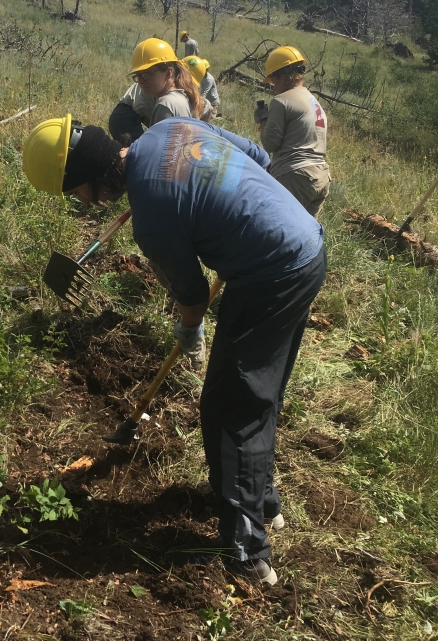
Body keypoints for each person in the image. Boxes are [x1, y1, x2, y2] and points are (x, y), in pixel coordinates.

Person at [22, 114, 326, 586]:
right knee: (258, 394)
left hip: (272, 273)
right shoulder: (169, 128)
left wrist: (190, 332)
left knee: (230, 407)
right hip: (304, 244)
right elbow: (260, 158)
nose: (84, 203)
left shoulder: (152, 217)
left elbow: (193, 297)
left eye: (76, 192)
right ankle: (262, 500)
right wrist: (238, 212)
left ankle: (247, 552)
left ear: (87, 175)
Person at [255, 45, 330, 218]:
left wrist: (263, 120)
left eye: (273, 81)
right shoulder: (313, 100)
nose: (273, 86)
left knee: (276, 228)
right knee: (304, 238)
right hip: (320, 175)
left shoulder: (281, 101)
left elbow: (270, 143)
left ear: (282, 77)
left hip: (295, 175)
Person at [108, 38, 205, 145]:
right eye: (137, 76)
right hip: (124, 115)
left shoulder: (166, 104)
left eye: (146, 74)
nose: (140, 82)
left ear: (168, 73)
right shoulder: (175, 97)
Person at [182, 55, 220, 120]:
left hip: (213, 102)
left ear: (206, 70)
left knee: (212, 119)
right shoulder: (202, 76)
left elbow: (204, 92)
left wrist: (198, 102)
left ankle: (220, 118)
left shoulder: (209, 79)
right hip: (206, 101)